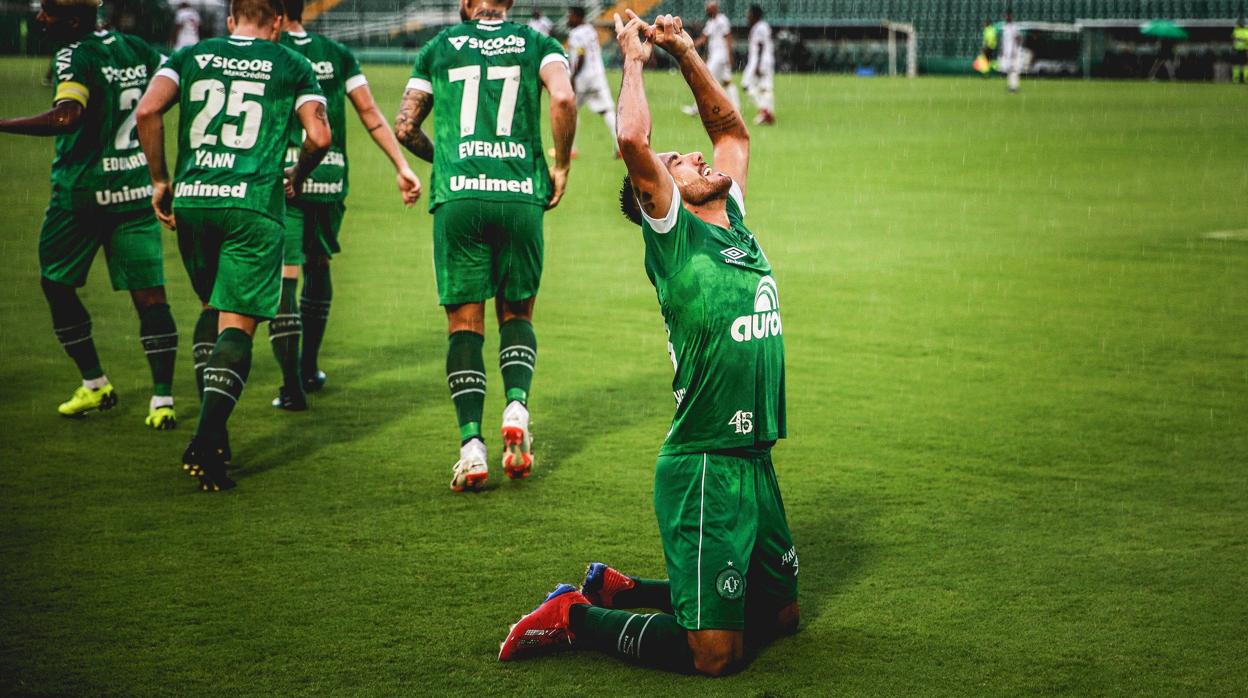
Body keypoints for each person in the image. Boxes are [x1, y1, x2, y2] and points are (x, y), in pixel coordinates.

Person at [499, 11, 798, 677]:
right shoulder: (675, 239)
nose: (695, 155)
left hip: (754, 458)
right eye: (678, 163)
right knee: (719, 654)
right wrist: (633, 56)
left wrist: (686, 52)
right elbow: (634, 139)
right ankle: (577, 615)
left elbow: (730, 130)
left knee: (779, 616)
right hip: (704, 467)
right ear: (663, 197)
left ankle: (622, 588)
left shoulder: (732, 220)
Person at [136, 0, 331, 491]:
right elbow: (320, 136)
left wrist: (162, 180)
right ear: (280, 22)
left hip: (196, 199)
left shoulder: (191, 54)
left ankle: (216, 439)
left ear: (229, 19)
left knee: (211, 306)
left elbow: (148, 110)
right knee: (238, 323)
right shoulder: (292, 63)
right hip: (252, 204)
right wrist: (297, 174)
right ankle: (206, 437)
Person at [394, 0, 576, 491]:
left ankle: (472, 448)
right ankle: (516, 407)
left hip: (460, 198)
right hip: (519, 197)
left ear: (466, 6)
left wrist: (447, 159)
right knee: (517, 314)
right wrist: (559, 166)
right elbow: (562, 98)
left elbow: (405, 127)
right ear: (508, 4)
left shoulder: (438, 47)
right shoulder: (537, 42)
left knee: (464, 324)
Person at [0, 0, 180, 429]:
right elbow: (173, 83)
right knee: (151, 298)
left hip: (79, 197)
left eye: (48, 13)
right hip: (134, 194)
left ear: (75, 21)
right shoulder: (136, 48)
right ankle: (162, 400)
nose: (40, 19)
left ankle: (95, 382)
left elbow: (66, 117)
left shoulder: (72, 55)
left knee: (56, 285)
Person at [268, 0, 422, 410]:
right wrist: (402, 165)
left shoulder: (269, 52)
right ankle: (309, 368)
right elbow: (370, 113)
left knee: (285, 275)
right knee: (319, 265)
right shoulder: (337, 54)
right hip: (331, 180)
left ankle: (290, 386)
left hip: (286, 180)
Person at [566, 5, 617, 157]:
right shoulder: (590, 30)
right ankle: (621, 148)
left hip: (583, 78)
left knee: (570, 111)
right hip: (598, 76)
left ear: (577, 16)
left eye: (570, 15)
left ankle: (570, 150)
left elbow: (581, 55)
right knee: (607, 110)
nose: (568, 19)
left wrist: (573, 77)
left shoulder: (576, 33)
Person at [681, 1, 736, 116]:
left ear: (715, 8)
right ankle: (736, 108)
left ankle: (697, 109)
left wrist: (730, 55)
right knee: (726, 82)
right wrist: (688, 45)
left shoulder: (722, 20)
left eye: (709, 8)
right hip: (716, 56)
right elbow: (703, 39)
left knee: (704, 81)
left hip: (720, 56)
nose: (707, 10)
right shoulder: (711, 22)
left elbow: (728, 38)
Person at [742, 4, 773, 125]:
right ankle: (766, 112)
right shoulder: (762, 26)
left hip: (759, 61)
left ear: (754, 15)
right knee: (764, 88)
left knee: (747, 85)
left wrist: (758, 65)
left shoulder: (759, 27)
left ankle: (764, 111)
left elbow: (760, 46)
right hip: (764, 60)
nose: (747, 15)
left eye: (749, 13)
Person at [1000, 11, 1021, 93]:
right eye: (1006, 16)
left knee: (1014, 70)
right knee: (1009, 70)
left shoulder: (1014, 27)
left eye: (1008, 16)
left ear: (1011, 17)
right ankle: (1011, 86)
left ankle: (1014, 87)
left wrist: (1015, 49)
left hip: (1013, 53)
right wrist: (1003, 50)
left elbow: (1018, 38)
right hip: (1006, 53)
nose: (1007, 17)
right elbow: (1004, 41)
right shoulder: (1005, 27)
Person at [1232, 18, 1247, 83]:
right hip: (1245, 50)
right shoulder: (1247, 31)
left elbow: (1233, 39)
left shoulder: (1235, 31)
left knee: (1236, 65)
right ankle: (1246, 79)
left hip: (1236, 50)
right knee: (1245, 65)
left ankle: (1235, 79)